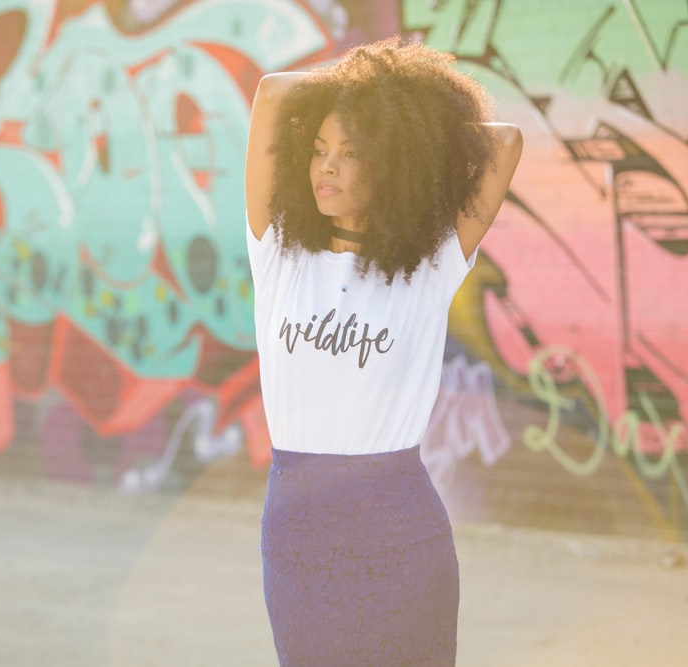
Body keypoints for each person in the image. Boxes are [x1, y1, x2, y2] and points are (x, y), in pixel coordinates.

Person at [243, 36, 522, 666]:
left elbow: (503, 143)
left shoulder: (429, 266)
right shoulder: (278, 252)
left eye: (350, 153)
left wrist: (411, 123)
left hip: (402, 528)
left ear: (390, 163)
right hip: (300, 533)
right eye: (318, 151)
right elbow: (271, 95)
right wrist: (359, 90)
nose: (327, 167)